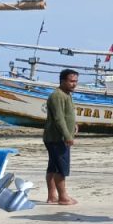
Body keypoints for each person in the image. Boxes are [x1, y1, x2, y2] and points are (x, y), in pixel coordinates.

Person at [43, 68, 79, 205]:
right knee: (60, 168)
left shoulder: (67, 94)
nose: (74, 84)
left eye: (75, 81)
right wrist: (67, 136)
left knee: (53, 167)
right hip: (56, 138)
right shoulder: (57, 96)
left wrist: (74, 124)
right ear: (63, 81)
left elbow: (67, 114)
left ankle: (52, 196)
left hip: (56, 138)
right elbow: (59, 118)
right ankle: (63, 197)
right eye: (71, 81)